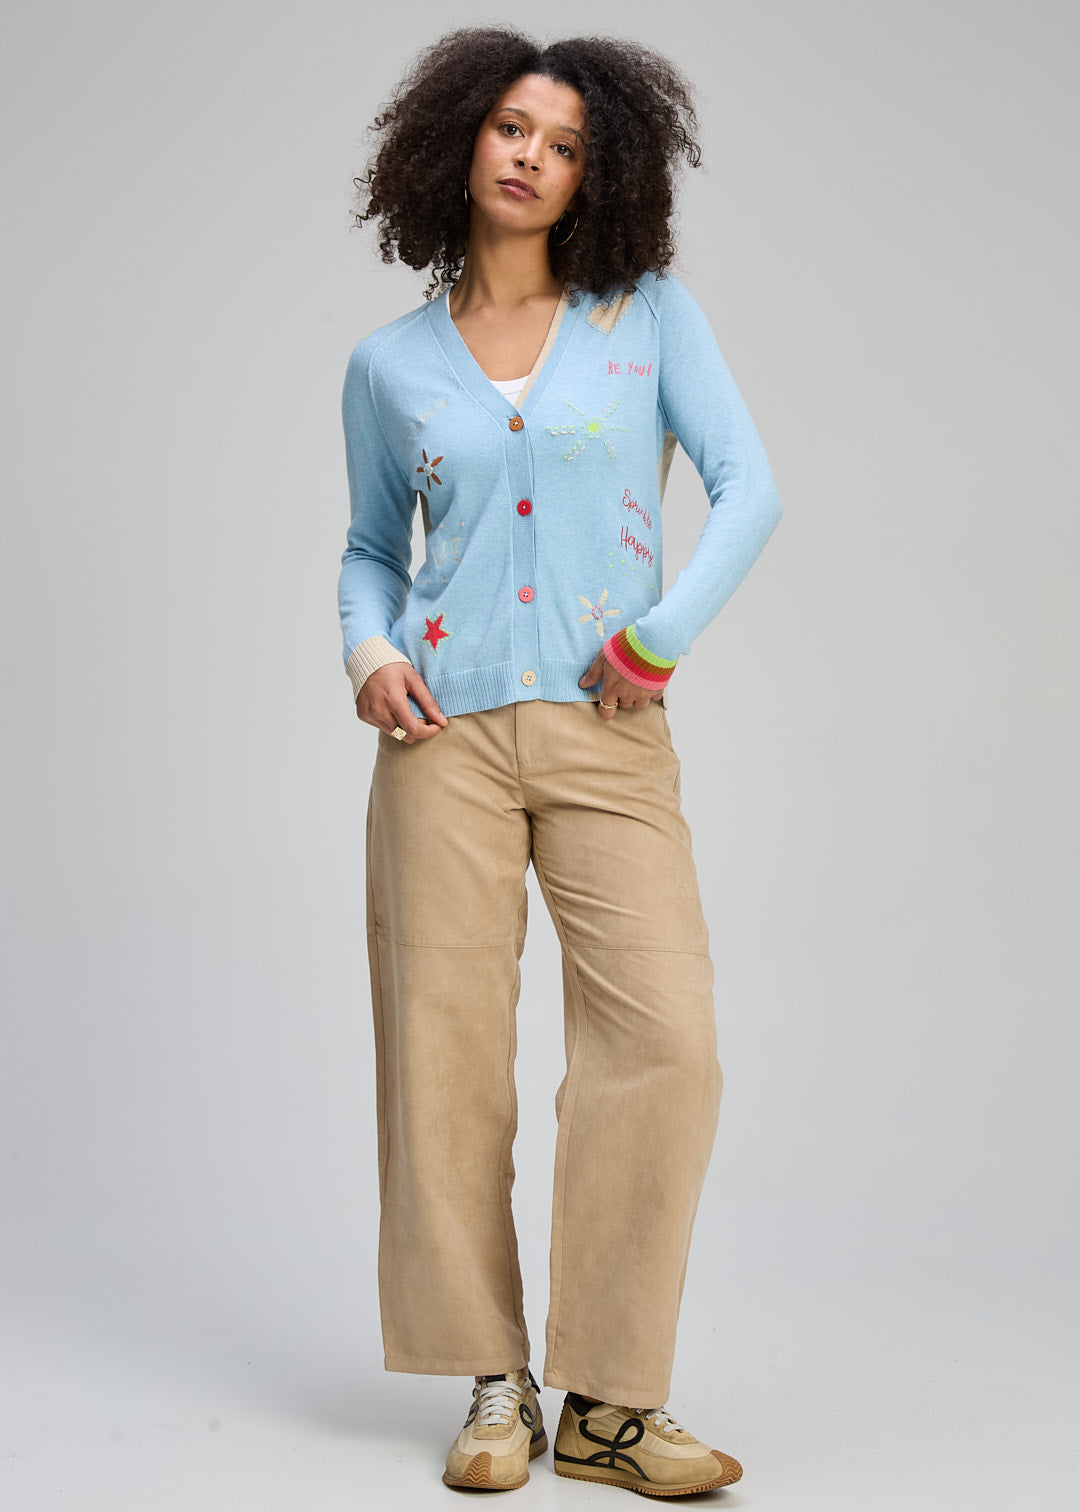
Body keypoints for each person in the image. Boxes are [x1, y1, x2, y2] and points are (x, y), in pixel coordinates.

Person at [338, 26, 782, 1496]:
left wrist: (660, 637)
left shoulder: (645, 317)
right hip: (442, 745)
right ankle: (493, 1384)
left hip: (608, 735)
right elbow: (369, 549)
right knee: (446, 1061)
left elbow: (748, 487)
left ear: (603, 175)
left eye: (568, 144)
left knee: (668, 1043)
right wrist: (369, 652)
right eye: (513, 129)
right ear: (460, 139)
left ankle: (610, 1401)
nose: (533, 156)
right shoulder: (391, 365)